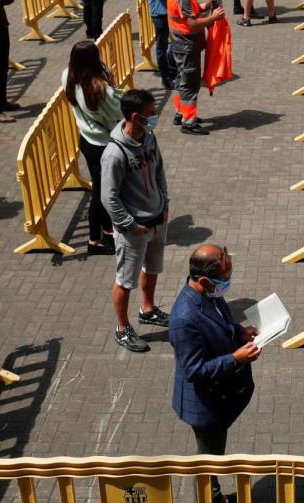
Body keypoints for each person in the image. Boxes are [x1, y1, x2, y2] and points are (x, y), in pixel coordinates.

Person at [170, 244, 260, 503]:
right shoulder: (184, 318)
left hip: (221, 398)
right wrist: (236, 358)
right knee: (207, 459)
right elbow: (194, 370)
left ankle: (216, 495)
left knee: (215, 453)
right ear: (205, 281)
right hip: (205, 405)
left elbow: (222, 321)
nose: (227, 286)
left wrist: (238, 332)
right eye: (224, 280)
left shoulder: (208, 295)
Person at [101, 90, 171, 352]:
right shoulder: (114, 154)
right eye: (151, 113)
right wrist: (130, 224)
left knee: (152, 269)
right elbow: (108, 197)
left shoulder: (149, 137)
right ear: (135, 116)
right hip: (135, 229)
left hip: (157, 218)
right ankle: (122, 328)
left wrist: (164, 204)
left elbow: (160, 170)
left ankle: (148, 309)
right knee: (125, 280)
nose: (155, 117)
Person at [63, 41, 122, 255]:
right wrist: (113, 85)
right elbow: (117, 112)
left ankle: (108, 231)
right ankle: (94, 241)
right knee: (101, 192)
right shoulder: (99, 89)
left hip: (87, 140)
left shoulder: (68, 76)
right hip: (103, 144)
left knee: (101, 187)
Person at [168, 0, 225, 135]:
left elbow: (190, 10)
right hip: (187, 47)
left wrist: (206, 5)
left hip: (180, 45)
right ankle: (188, 122)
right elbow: (192, 24)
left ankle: (180, 113)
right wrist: (212, 17)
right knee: (190, 84)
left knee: (181, 79)